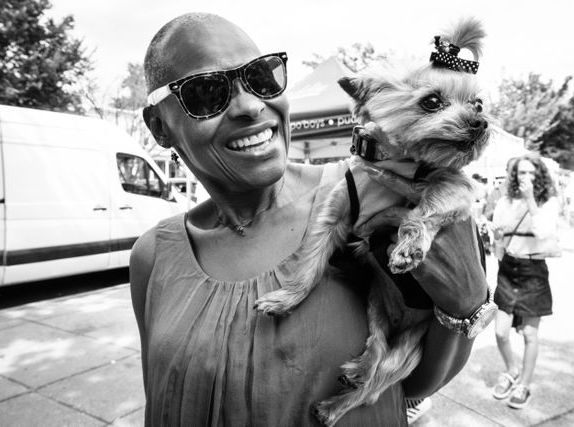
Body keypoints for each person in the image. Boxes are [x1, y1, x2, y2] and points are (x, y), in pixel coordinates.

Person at [130, 12, 490, 426]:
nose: (250, 105)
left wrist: (468, 302)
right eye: (206, 92)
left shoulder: (369, 194)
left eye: (261, 77)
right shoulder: (154, 256)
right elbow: (161, 399)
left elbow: (419, 385)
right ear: (159, 126)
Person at [489, 153, 559, 409]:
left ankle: (524, 384)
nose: (526, 178)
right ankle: (512, 369)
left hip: (533, 269)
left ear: (539, 175)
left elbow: (544, 232)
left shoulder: (548, 202)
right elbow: (498, 247)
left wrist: (530, 200)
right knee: (500, 331)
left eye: (531, 173)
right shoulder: (504, 202)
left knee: (530, 333)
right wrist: (497, 238)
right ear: (514, 176)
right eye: (521, 173)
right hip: (508, 268)